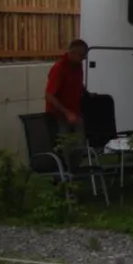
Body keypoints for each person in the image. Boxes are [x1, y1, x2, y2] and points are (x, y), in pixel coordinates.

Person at [44, 39, 88, 169]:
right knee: (64, 146)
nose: (83, 59)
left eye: (84, 56)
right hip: (58, 115)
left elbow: (77, 83)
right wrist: (66, 112)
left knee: (79, 142)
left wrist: (86, 92)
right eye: (81, 56)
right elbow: (49, 95)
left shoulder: (77, 66)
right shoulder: (59, 68)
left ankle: (76, 168)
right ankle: (64, 172)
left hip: (75, 112)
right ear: (72, 53)